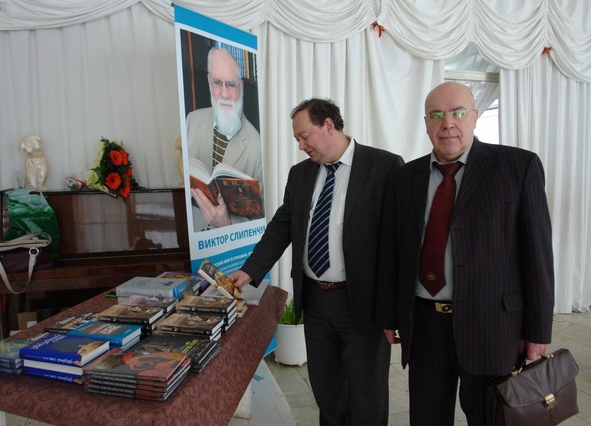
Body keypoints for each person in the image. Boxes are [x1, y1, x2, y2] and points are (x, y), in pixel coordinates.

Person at [377, 82, 554, 425]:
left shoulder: (518, 166)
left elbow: (538, 256)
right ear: (426, 123)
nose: (448, 123)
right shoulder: (405, 178)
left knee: (489, 418)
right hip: (425, 325)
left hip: (492, 326)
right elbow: (392, 252)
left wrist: (538, 330)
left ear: (474, 116)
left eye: (458, 112)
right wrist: (389, 315)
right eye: (437, 115)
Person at [229, 98, 403, 425]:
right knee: (326, 391)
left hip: (363, 303)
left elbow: (400, 241)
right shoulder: (301, 174)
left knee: (367, 393)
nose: (300, 145)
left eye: (304, 136)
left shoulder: (384, 166)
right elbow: (282, 226)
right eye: (297, 139)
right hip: (316, 300)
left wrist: (395, 308)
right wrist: (250, 270)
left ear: (329, 125)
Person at [186, 47, 263, 232]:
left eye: (231, 84)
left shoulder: (258, 145)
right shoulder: (191, 120)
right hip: (193, 238)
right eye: (217, 83)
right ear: (209, 82)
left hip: (231, 244)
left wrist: (227, 223)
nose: (224, 94)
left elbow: (263, 218)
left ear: (241, 86)